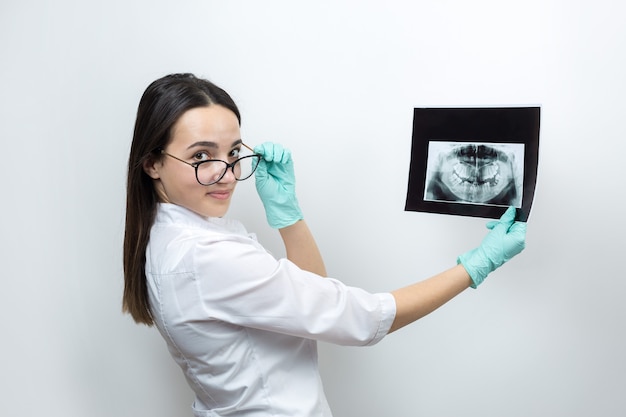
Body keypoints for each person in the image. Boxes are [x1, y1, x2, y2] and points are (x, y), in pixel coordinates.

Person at [123, 73, 527, 417]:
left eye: (233, 152)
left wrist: (288, 216)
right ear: (152, 163)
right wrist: (475, 266)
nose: (227, 174)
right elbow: (363, 320)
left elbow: (311, 291)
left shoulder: (173, 235)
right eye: (201, 156)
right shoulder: (205, 255)